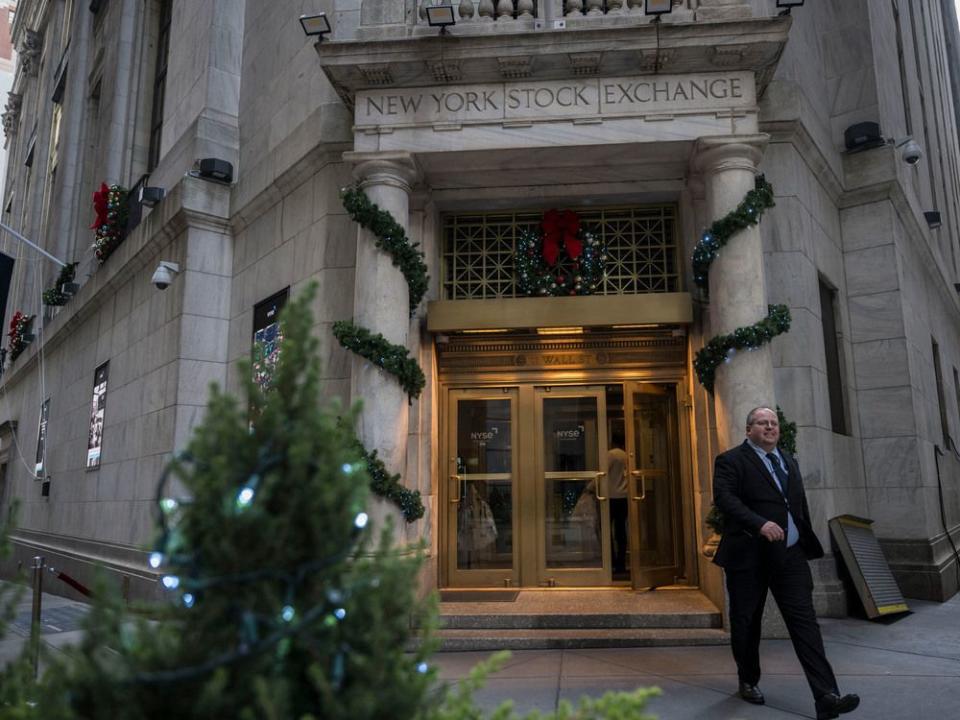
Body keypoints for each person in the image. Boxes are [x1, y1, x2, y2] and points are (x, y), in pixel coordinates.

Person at [712, 407, 859, 720]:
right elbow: (725, 499)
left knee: (805, 624)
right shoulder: (731, 461)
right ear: (748, 429)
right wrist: (759, 523)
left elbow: (797, 505)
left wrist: (802, 535)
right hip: (749, 556)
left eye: (773, 423)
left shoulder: (788, 459)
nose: (770, 427)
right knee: (747, 623)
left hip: (789, 557)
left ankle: (826, 696)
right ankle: (748, 680)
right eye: (762, 423)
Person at [606, 435, 629, 574]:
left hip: (610, 496)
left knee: (606, 531)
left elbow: (603, 473)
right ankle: (621, 563)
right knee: (621, 530)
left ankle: (610, 561)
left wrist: (590, 487)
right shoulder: (627, 455)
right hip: (624, 496)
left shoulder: (611, 455)